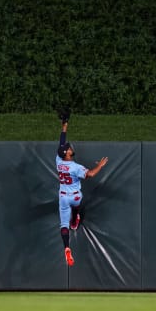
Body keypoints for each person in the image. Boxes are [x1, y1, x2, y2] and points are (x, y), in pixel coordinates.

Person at [56, 113, 108, 266]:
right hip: (75, 195)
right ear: (67, 155)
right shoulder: (75, 167)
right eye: (68, 149)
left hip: (63, 197)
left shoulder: (59, 161)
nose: (70, 147)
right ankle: (76, 219)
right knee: (77, 206)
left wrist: (64, 126)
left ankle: (66, 247)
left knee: (63, 226)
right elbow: (90, 174)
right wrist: (100, 165)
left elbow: (61, 143)